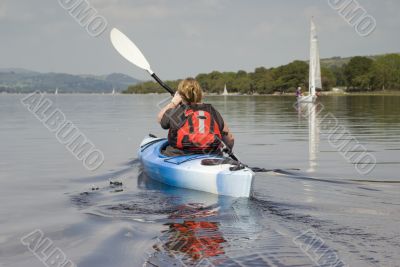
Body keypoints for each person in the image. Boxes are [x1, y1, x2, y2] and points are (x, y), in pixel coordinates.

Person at [158, 78, 234, 156]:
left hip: (179, 155)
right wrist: (229, 151)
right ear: (199, 93)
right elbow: (230, 139)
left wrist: (173, 103)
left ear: (181, 95)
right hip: (212, 155)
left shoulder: (177, 112)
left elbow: (160, 119)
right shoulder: (213, 111)